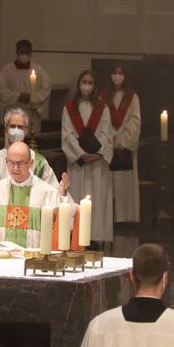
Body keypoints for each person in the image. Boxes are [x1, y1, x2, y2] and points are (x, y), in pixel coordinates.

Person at [62, 70, 115, 246]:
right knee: (76, 197)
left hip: (97, 163)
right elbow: (67, 134)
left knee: (98, 199)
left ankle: (95, 237)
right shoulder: (69, 108)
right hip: (79, 163)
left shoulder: (103, 108)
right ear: (79, 84)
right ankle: (76, 236)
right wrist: (80, 153)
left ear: (95, 85)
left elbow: (107, 133)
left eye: (90, 82)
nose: (87, 85)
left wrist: (97, 153)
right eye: (84, 81)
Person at [0, 107, 58, 191]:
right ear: (6, 129)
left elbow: (54, 192)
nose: (16, 130)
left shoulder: (39, 163)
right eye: (12, 126)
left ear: (26, 130)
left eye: (20, 127)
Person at [102, 65, 140, 224]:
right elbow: (101, 119)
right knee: (108, 182)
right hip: (109, 146)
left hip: (124, 146)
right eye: (114, 73)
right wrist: (111, 138)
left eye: (120, 73)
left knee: (124, 183)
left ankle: (125, 217)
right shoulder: (103, 96)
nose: (117, 76)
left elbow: (135, 120)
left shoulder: (132, 97)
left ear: (125, 76)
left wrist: (123, 141)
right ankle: (108, 217)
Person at [0, 39, 51, 121]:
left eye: (27, 52)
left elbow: (46, 90)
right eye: (22, 52)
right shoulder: (7, 70)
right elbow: (1, 91)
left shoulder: (38, 70)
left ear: (31, 53)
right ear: (17, 52)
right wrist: (18, 96)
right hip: (13, 112)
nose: (24, 55)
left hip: (32, 113)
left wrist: (32, 97)